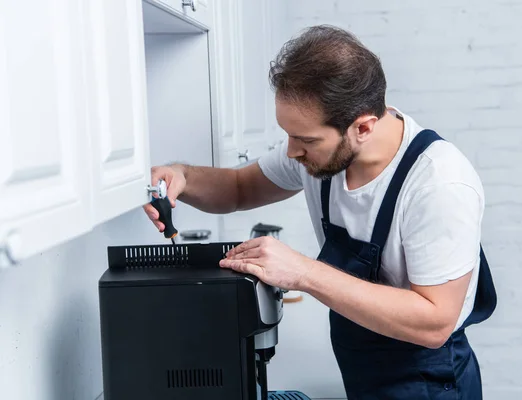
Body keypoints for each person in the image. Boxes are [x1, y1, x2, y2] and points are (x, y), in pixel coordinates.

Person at [144, 25, 497, 400]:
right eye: (289, 135)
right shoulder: (319, 152)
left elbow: (434, 323)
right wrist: (183, 175)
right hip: (364, 369)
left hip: (429, 380)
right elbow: (238, 188)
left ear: (362, 127)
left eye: (306, 140)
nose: (292, 151)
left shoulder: (438, 183)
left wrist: (303, 272)